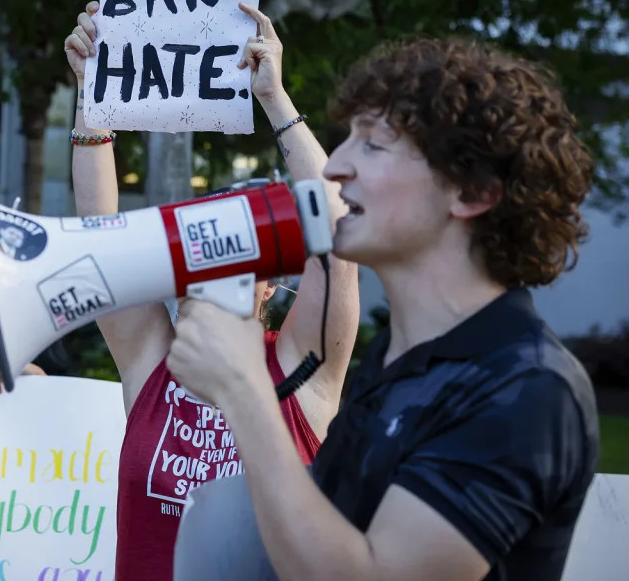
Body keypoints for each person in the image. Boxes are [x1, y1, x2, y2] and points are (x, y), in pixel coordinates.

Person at [167, 37, 600, 580]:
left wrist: (243, 391)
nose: (337, 167)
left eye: (372, 144)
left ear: (471, 193)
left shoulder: (529, 388)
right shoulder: (402, 362)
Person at [64, 1, 360, 580]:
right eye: (204, 246)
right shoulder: (157, 362)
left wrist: (274, 99)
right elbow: (99, 236)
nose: (215, 264)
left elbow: (338, 240)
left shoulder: (297, 370)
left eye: (238, 253)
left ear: (270, 285)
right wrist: (92, 98)